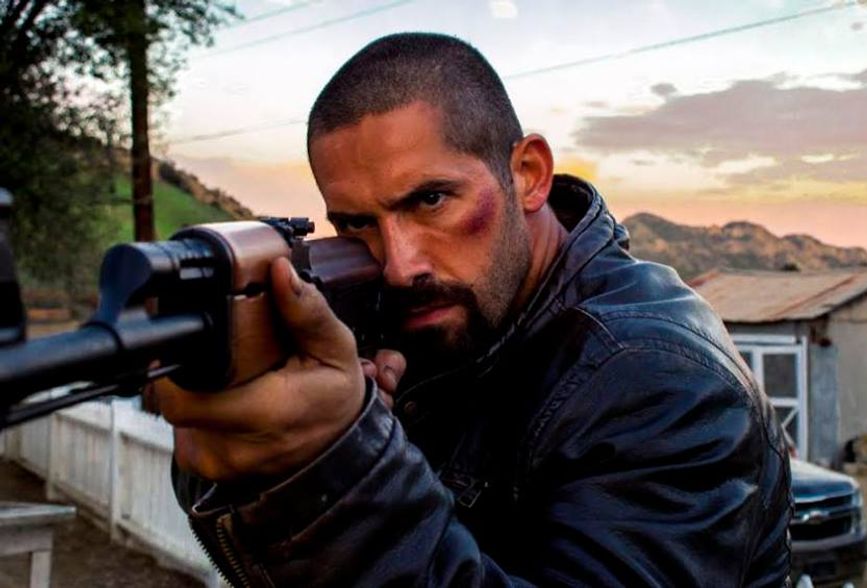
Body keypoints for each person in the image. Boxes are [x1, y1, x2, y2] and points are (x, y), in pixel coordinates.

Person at [161, 32, 791, 587]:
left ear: (528, 174)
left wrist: (341, 468)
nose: (399, 265)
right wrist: (259, 440)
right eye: (357, 224)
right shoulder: (428, 318)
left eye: (431, 200)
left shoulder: (659, 376)